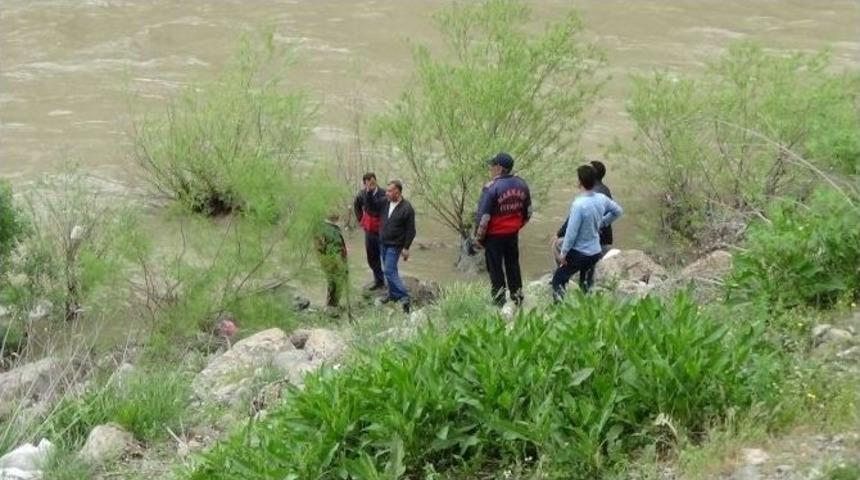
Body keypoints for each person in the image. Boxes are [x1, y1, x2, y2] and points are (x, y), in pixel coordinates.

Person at [551, 165, 623, 302]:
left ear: (580, 182)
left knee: (558, 279)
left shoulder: (579, 205)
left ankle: (558, 312)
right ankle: (588, 311)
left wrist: (563, 254)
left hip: (580, 253)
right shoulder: (601, 198)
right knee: (586, 285)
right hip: (594, 252)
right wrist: (603, 222)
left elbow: (571, 233)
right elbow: (618, 211)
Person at [475, 152, 532, 307]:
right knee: (513, 264)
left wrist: (479, 238)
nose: (491, 169)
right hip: (512, 233)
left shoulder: (491, 188)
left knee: (495, 268)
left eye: (492, 166)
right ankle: (517, 297)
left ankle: (499, 301)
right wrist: (517, 226)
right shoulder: (522, 184)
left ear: (499, 168)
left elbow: (483, 217)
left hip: (494, 236)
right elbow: (528, 212)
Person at [378, 180, 416, 313]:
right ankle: (393, 294)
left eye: (389, 191)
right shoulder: (385, 203)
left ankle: (405, 296)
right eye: (386, 190)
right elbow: (371, 205)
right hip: (383, 242)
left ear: (397, 192)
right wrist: (369, 191)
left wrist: (406, 248)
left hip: (395, 245)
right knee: (386, 270)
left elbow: (411, 230)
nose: (386, 193)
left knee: (389, 270)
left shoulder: (407, 208)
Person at [353, 172, 387, 290]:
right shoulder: (362, 194)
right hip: (369, 230)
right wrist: (360, 219)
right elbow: (356, 205)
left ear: (376, 181)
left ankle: (390, 279)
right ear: (364, 184)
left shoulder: (384, 193)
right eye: (368, 183)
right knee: (372, 257)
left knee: (386, 256)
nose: (371, 184)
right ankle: (379, 280)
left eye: (373, 182)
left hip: (383, 230)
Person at [314, 213, 349, 312]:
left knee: (335, 283)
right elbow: (323, 248)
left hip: (333, 261)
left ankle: (333, 305)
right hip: (333, 262)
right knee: (334, 283)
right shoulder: (328, 230)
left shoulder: (329, 227)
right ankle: (331, 306)